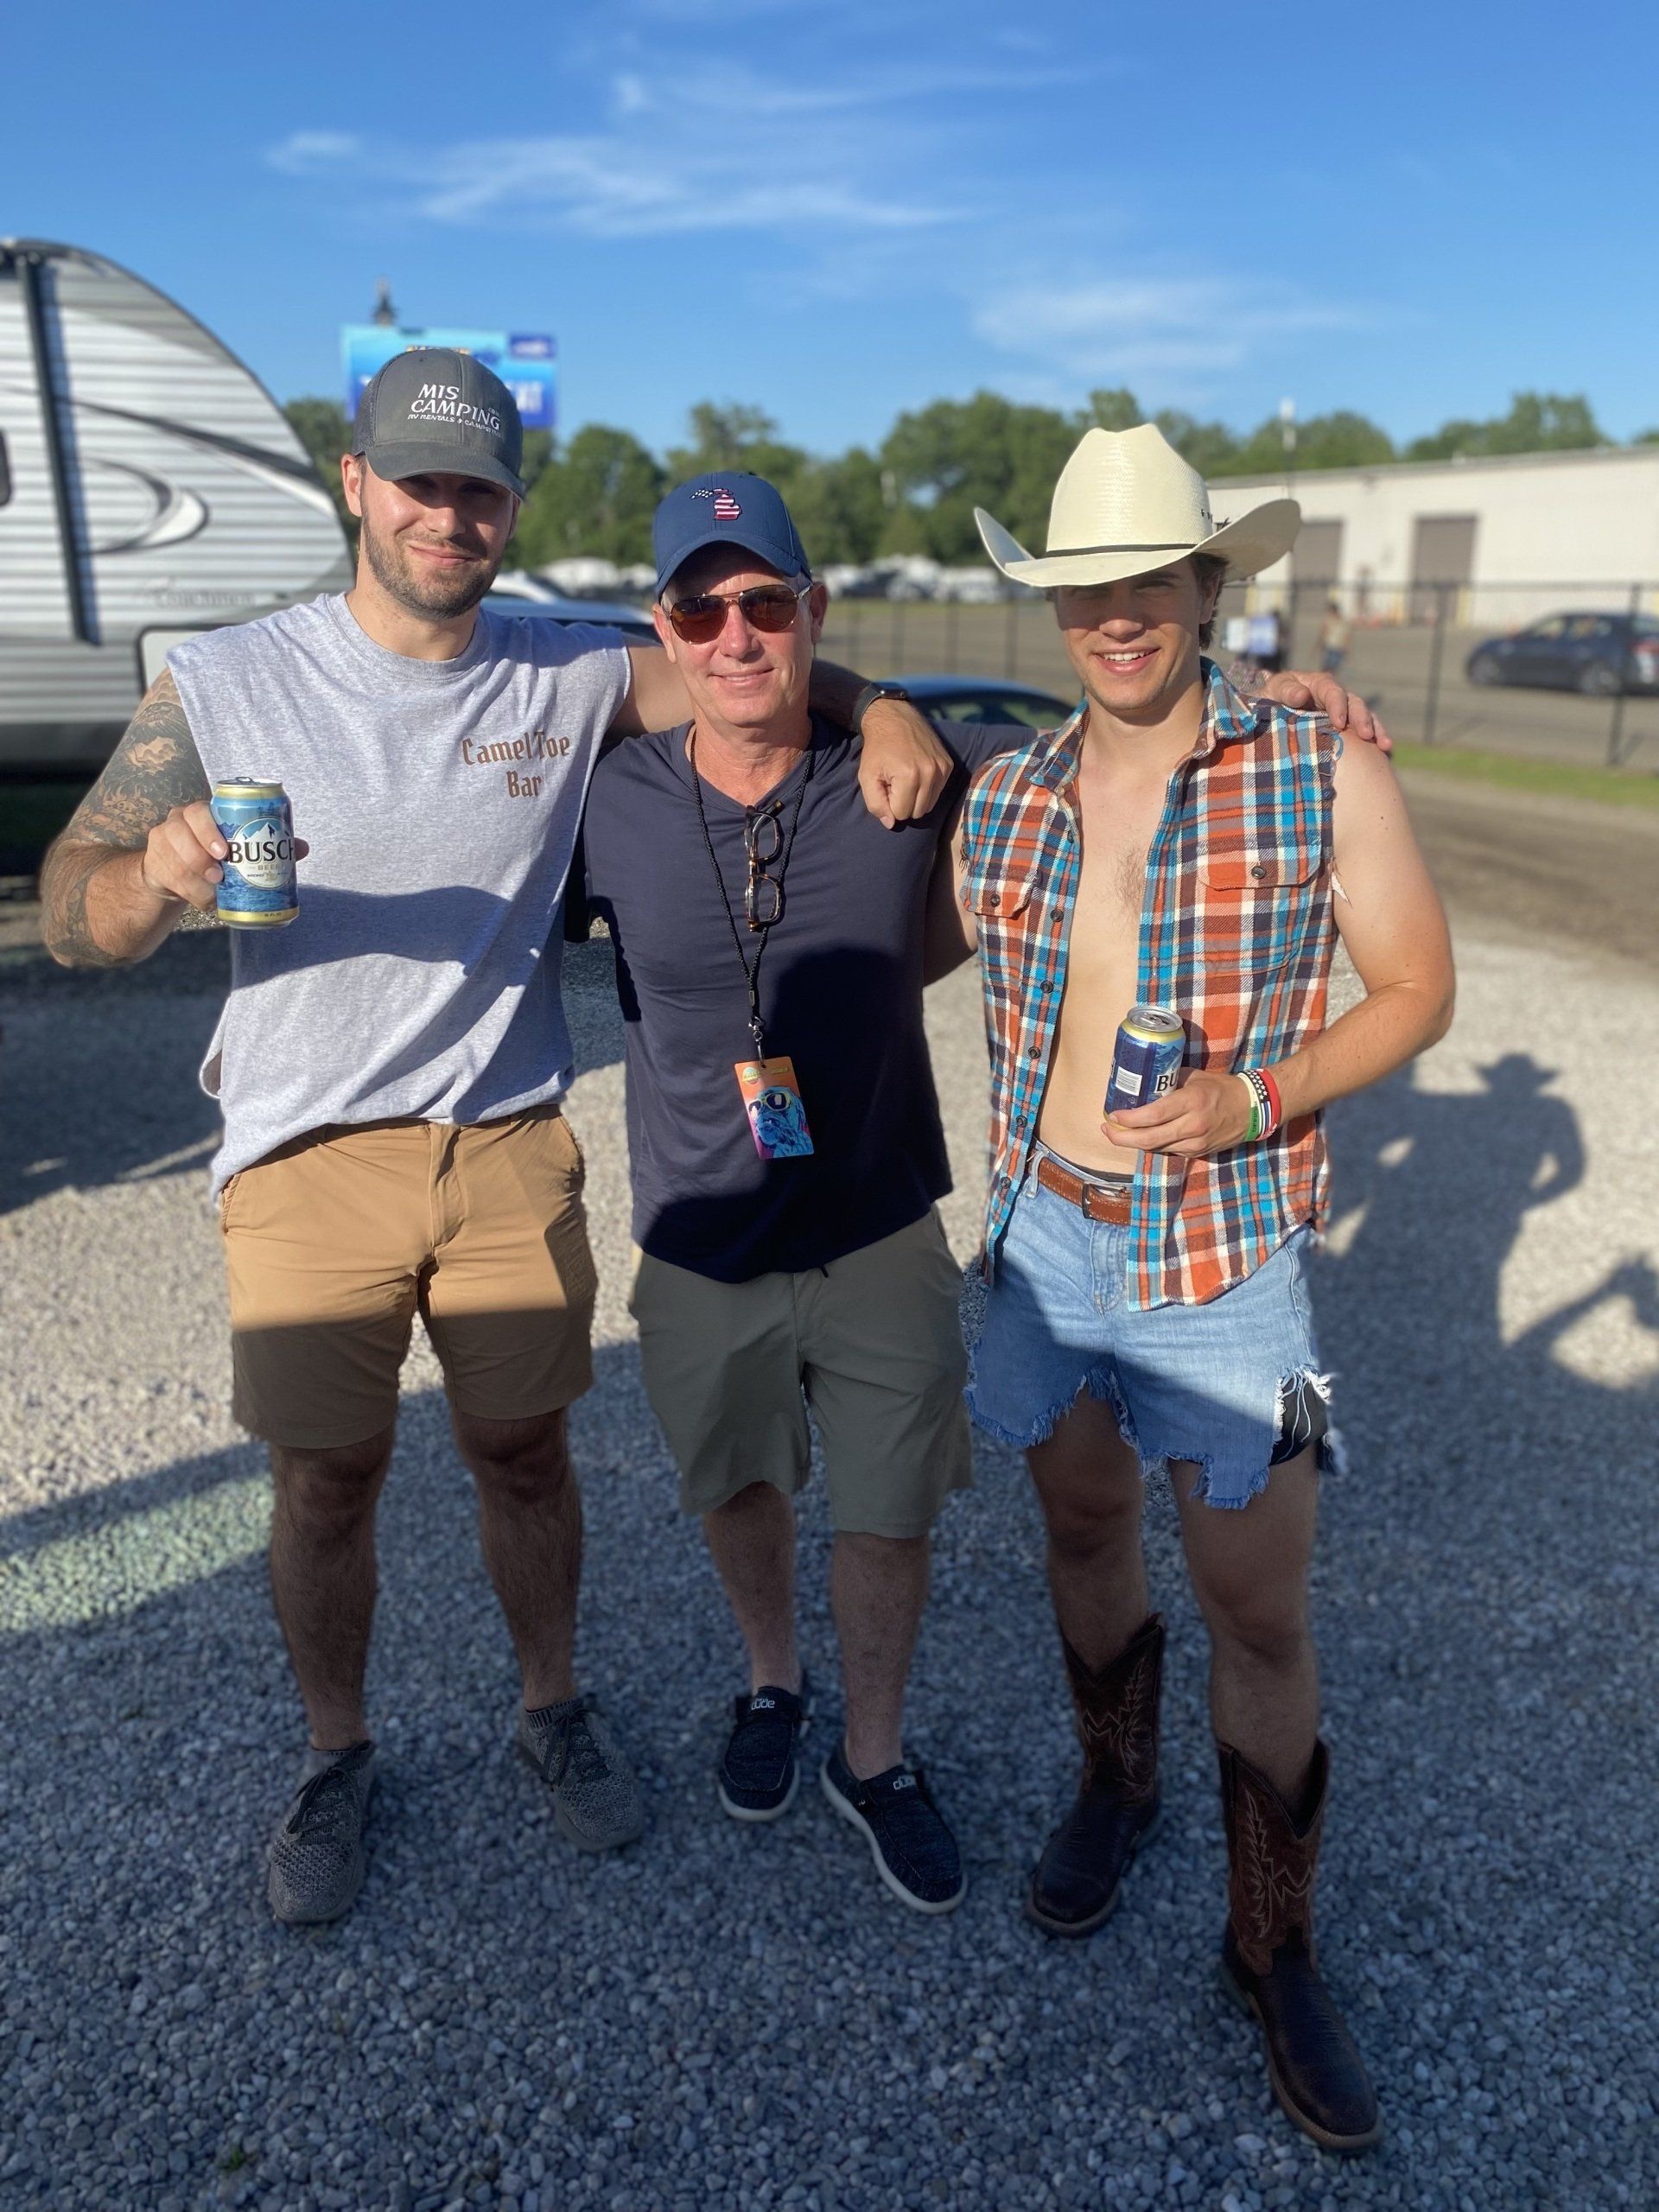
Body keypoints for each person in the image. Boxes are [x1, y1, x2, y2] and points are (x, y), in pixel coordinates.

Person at [37, 351, 953, 1927]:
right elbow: (70, 907)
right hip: (304, 1147)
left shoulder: (569, 671)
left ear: (513, 509)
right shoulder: (227, 677)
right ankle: (336, 1754)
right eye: (419, 484)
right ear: (356, 484)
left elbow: (749, 661)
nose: (446, 517)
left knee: (524, 1456)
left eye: (477, 490)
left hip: (505, 1136)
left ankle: (552, 1707)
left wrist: (886, 705)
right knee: (328, 1482)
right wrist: (152, 880)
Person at [571, 470, 1383, 1917]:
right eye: (701, 610)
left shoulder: (952, 774)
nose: (736, 633)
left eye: (767, 603)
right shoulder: (619, 798)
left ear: (816, 610)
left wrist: (1273, 691)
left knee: (1128, 1562)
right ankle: (824, 1699)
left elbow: (1157, 726)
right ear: (665, 626)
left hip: (1082, 1241)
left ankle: (1244, 1928)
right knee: (800, 1488)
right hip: (778, 1229)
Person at [941, 424, 1454, 2147]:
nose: (1119, 612)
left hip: (1225, 1256)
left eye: (1152, 578)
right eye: (1087, 585)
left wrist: (1258, 1098)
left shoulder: (1319, 768)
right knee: (1082, 1528)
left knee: (1259, 1605)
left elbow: (1417, 987)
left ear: (1210, 587)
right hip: (1044, 1237)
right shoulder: (1007, 794)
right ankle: (1119, 1783)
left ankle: (1275, 1942)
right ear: (1051, 604)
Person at [1319, 597, 1351, 677]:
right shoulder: (1328, 620)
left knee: (1332, 669)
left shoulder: (1342, 621)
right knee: (1326, 669)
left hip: (1338, 647)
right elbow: (1323, 632)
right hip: (1329, 646)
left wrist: (1347, 648)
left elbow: (1347, 636)